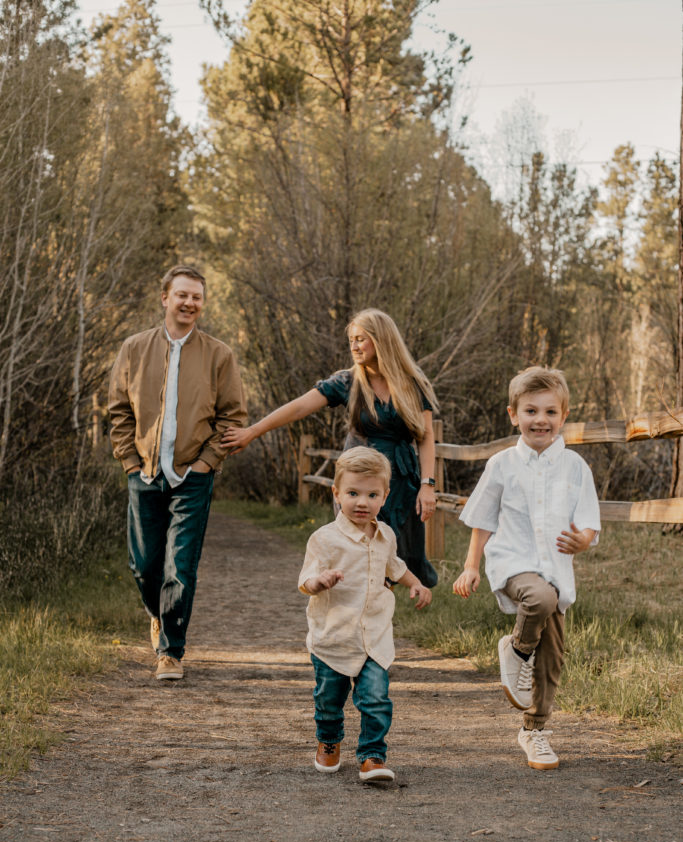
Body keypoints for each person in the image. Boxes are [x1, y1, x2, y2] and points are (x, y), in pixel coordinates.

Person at [223, 308, 439, 587]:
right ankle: (354, 622)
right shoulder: (348, 381)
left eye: (361, 339)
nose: (354, 346)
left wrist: (427, 484)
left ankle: (377, 621)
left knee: (393, 558)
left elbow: (426, 435)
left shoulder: (411, 382)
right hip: (358, 478)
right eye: (352, 339)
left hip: (400, 483)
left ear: (381, 339)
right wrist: (252, 432)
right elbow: (299, 406)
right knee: (357, 554)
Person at [452, 367, 600, 770]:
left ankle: (534, 731)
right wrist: (470, 567)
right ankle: (516, 648)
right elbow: (483, 518)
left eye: (550, 411)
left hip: (557, 570)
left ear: (564, 416)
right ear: (513, 414)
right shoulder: (502, 465)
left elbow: (589, 521)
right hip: (513, 562)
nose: (541, 420)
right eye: (530, 410)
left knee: (551, 658)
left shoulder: (575, 467)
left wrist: (585, 540)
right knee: (538, 597)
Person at [108, 264, 246, 681]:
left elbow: (232, 417)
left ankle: (170, 651)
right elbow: (118, 411)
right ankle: (158, 613)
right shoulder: (134, 348)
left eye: (197, 297)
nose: (189, 303)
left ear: (202, 304)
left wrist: (206, 463)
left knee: (180, 567)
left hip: (193, 476)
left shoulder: (219, 354)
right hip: (144, 473)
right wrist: (130, 462)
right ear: (165, 297)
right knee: (143, 565)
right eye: (182, 295)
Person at [299, 447, 432, 782]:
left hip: (374, 636)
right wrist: (320, 581)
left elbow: (396, 567)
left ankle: (372, 756)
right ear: (337, 493)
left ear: (385, 496)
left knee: (376, 698)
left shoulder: (386, 535)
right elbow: (305, 580)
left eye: (372, 494)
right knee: (329, 700)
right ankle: (328, 741)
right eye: (353, 493)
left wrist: (416, 584)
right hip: (334, 638)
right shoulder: (325, 540)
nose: (362, 502)